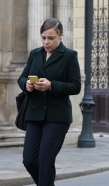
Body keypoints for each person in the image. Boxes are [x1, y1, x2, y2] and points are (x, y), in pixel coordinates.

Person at [18, 18, 82, 186]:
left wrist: (51, 85)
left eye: (51, 38)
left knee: (45, 161)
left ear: (61, 36)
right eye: (43, 37)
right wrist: (26, 85)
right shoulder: (35, 54)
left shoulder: (69, 56)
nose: (46, 42)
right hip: (35, 114)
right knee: (29, 160)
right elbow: (22, 77)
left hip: (57, 116)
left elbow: (75, 86)